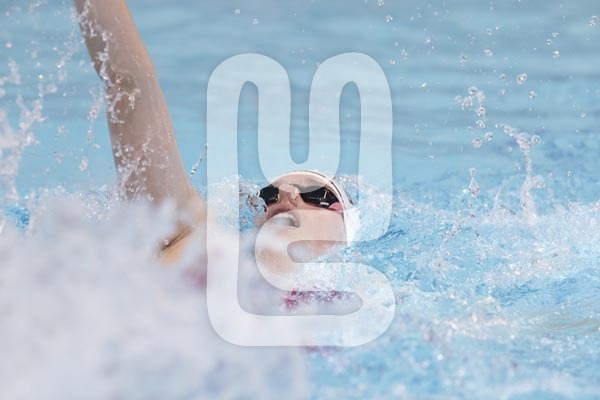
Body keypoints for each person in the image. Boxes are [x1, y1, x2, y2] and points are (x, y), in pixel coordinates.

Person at [74, 0, 355, 266]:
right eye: (268, 196)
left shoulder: (363, 294)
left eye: (314, 193)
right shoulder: (192, 239)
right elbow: (128, 84)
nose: (285, 194)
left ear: (344, 234)